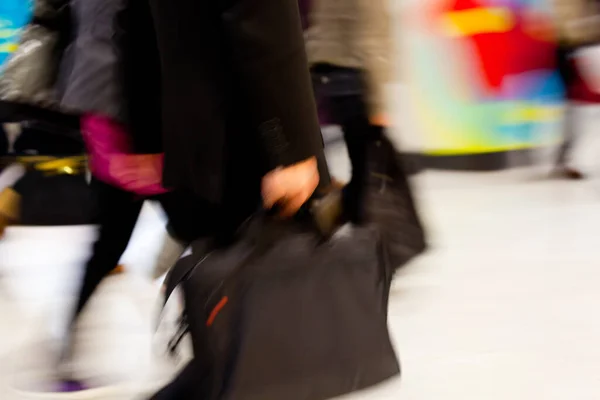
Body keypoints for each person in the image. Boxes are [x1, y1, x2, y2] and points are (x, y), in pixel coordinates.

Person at [146, 0, 329, 397]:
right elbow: (263, 22)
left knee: (233, 341)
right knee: (256, 349)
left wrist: (145, 132)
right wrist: (289, 150)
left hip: (191, 137)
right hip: (243, 145)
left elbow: (129, 22)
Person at [303, 0, 394, 221]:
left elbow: (315, 31)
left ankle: (329, 214)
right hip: (355, 82)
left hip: (324, 76)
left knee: (323, 156)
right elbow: (372, 43)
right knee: (365, 168)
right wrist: (379, 104)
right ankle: (352, 220)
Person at [552, 0, 600, 179]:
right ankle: (576, 161)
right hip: (585, 45)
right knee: (587, 108)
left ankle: (574, 160)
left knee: (583, 108)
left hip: (578, 45)